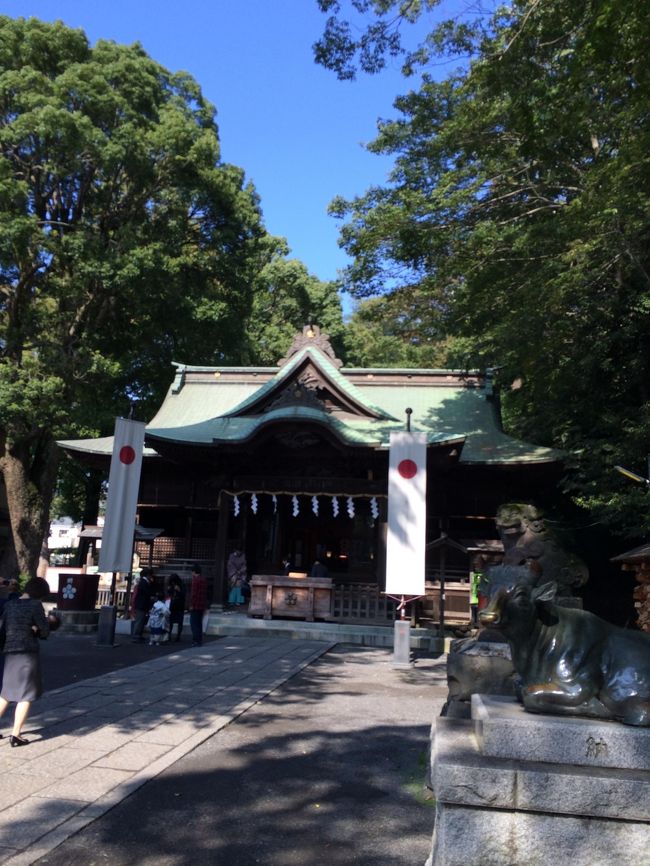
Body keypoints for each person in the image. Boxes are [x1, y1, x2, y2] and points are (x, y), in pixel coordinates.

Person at [0, 576, 50, 747]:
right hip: (27, 653)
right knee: (25, 695)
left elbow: (3, 628)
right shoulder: (35, 605)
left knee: (6, 693)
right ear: (40, 593)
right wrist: (38, 628)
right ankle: (15, 735)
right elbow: (44, 632)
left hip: (9, 652)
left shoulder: (10, 605)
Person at [131, 567, 155, 643]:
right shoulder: (144, 582)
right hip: (141, 604)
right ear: (148, 575)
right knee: (139, 621)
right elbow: (146, 592)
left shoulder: (142, 582)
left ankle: (138, 635)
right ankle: (136, 636)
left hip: (141, 604)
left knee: (140, 621)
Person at [189, 564, 207, 647]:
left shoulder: (195, 580)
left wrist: (191, 604)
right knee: (199, 623)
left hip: (195, 605)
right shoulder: (203, 579)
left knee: (194, 623)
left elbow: (194, 594)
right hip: (201, 604)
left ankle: (195, 640)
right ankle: (199, 640)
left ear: (194, 572)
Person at [167, 574, 186, 642]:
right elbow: (169, 595)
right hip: (173, 605)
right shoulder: (171, 586)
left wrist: (179, 590)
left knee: (179, 621)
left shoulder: (181, 585)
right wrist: (169, 590)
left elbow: (184, 594)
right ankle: (169, 635)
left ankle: (178, 636)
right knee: (171, 621)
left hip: (179, 605)